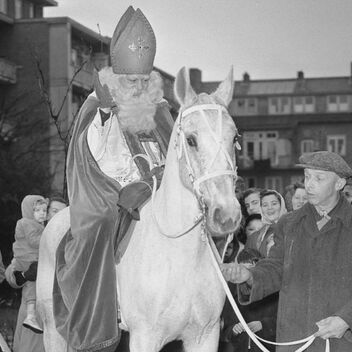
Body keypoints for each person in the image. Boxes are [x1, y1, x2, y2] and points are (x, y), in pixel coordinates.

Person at [52, 6, 174, 352]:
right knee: (101, 221)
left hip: (159, 188)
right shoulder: (98, 104)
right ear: (117, 78)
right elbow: (93, 154)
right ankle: (96, 317)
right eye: (130, 81)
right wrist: (105, 113)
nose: (137, 87)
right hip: (114, 190)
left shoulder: (160, 108)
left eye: (142, 80)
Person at [221, 151, 352, 352]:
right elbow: (276, 267)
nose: (309, 184)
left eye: (319, 178)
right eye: (307, 176)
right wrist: (249, 276)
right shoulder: (289, 223)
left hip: (340, 340)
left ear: (339, 183)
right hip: (294, 337)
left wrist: (346, 319)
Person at [222, 248, 278, 352]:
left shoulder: (274, 290)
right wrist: (234, 329)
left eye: (250, 271)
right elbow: (226, 330)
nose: (246, 277)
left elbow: (285, 323)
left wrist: (263, 325)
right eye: (242, 271)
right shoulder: (232, 292)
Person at [11, 195, 48, 333]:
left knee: (31, 284)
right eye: (37, 210)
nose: (42, 213)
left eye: (44, 210)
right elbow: (34, 241)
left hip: (31, 258)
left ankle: (31, 314)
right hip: (27, 258)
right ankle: (31, 315)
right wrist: (49, 236)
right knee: (32, 283)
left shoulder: (38, 224)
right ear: (28, 211)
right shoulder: (26, 222)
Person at [245, 190, 286, 257]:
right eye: (265, 205)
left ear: (281, 205)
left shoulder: (293, 230)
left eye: (274, 203)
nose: (270, 208)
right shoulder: (253, 238)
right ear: (261, 209)